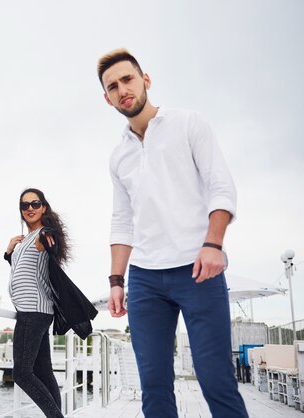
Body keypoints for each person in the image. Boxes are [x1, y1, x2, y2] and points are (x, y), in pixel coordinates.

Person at [97, 48, 249, 418]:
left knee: (216, 380)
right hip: (145, 280)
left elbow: (221, 188)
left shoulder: (189, 123)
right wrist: (117, 280)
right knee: (153, 387)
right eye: (113, 86)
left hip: (199, 269)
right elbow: (122, 220)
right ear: (107, 98)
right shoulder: (119, 156)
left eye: (127, 79)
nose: (122, 90)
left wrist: (214, 244)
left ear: (145, 79)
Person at [4, 188, 69, 418]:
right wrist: (8, 252)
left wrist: (48, 234)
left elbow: (49, 243)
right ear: (21, 211)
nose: (30, 208)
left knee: (21, 373)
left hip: (32, 311)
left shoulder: (43, 234)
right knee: (43, 371)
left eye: (35, 203)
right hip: (37, 311)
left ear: (43, 207)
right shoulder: (26, 239)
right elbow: (23, 270)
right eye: (25, 205)